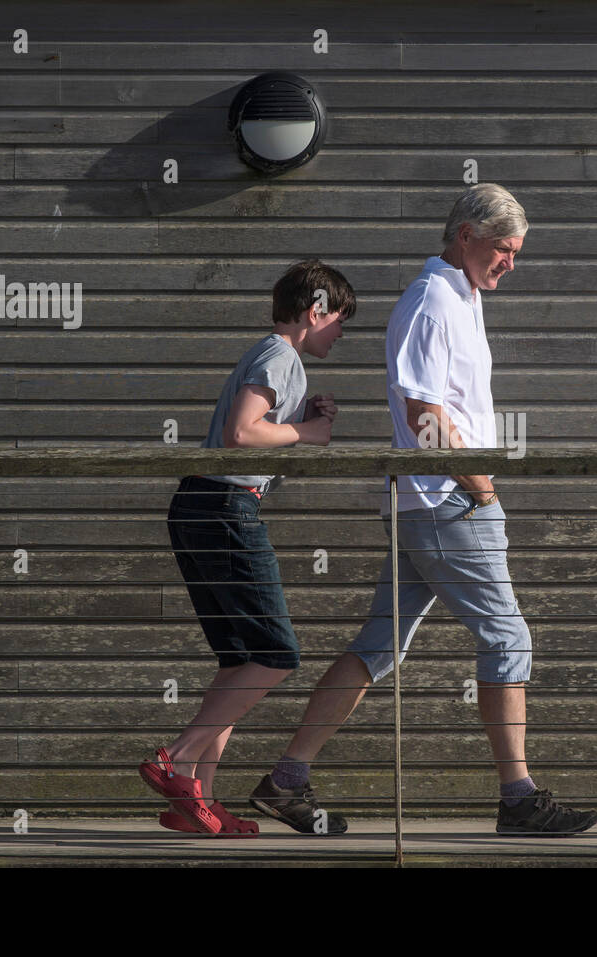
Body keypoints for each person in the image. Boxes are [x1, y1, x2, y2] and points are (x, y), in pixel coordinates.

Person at [248, 184, 597, 836]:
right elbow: (423, 413)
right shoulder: (433, 301)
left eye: (516, 253)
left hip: (433, 502)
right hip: (448, 503)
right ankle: (518, 798)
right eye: (503, 249)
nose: (510, 264)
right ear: (466, 234)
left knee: (378, 646)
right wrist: (481, 485)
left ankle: (286, 778)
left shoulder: (462, 297)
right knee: (507, 637)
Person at [139, 260, 354, 835]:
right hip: (226, 509)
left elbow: (254, 425)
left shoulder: (273, 357)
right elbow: (241, 434)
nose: (341, 333)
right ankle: (177, 760)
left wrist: (296, 416)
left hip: (203, 506)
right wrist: (308, 432)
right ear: (315, 312)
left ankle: (197, 801)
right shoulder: (281, 355)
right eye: (339, 320)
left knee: (240, 663)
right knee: (277, 655)